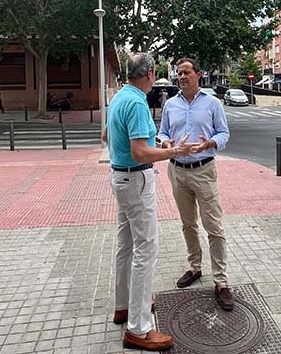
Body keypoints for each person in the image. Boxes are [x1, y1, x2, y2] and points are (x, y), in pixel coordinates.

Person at [105, 52, 198, 351]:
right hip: (135, 179)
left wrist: (158, 142)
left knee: (127, 245)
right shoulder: (136, 102)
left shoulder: (121, 97)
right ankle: (139, 328)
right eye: (154, 72)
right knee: (147, 250)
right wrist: (174, 152)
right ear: (147, 73)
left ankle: (125, 306)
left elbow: (109, 136)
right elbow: (139, 153)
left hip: (121, 178)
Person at [157, 58, 233, 310]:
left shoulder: (212, 103)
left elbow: (223, 133)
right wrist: (168, 145)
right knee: (188, 224)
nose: (181, 76)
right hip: (177, 171)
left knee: (214, 226)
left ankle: (221, 281)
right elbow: (164, 133)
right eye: (178, 73)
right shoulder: (170, 104)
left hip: (204, 170)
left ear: (198, 74)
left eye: (186, 72)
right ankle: (195, 267)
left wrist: (208, 143)